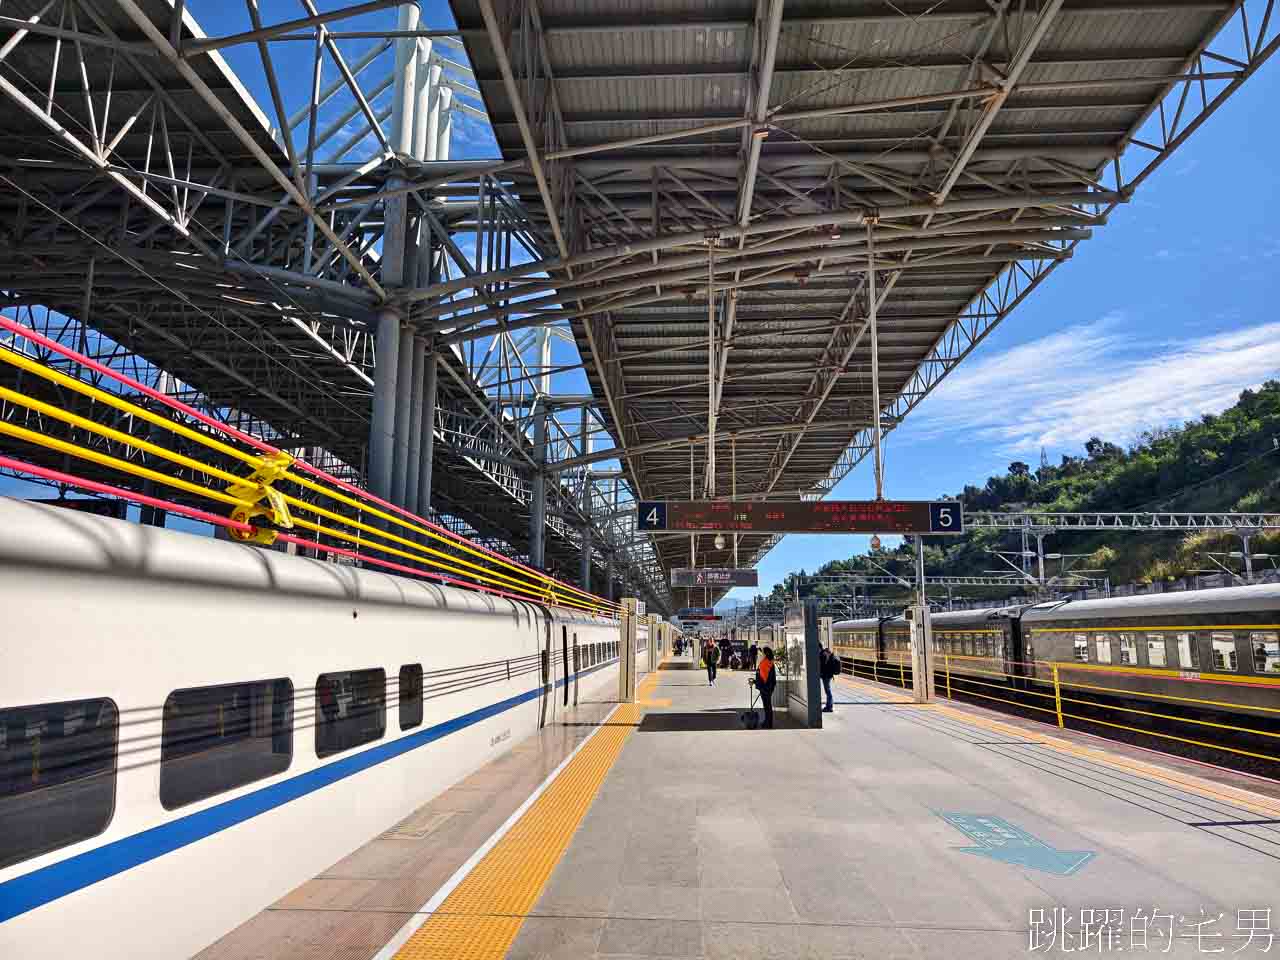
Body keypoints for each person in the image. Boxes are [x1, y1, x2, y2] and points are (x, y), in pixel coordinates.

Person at [754, 646, 776, 729]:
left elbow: (763, 677)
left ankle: (768, 723)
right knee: (768, 706)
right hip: (768, 687)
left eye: (762, 652)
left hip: (765, 688)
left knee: (767, 706)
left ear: (765, 654)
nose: (761, 654)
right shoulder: (770, 662)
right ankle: (768, 722)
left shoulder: (765, 663)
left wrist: (757, 682)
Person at [820, 646, 840, 713]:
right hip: (828, 675)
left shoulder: (823, 654)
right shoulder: (825, 653)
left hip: (826, 676)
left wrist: (821, 673)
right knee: (827, 691)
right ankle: (829, 706)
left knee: (827, 691)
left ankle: (829, 706)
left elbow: (823, 666)